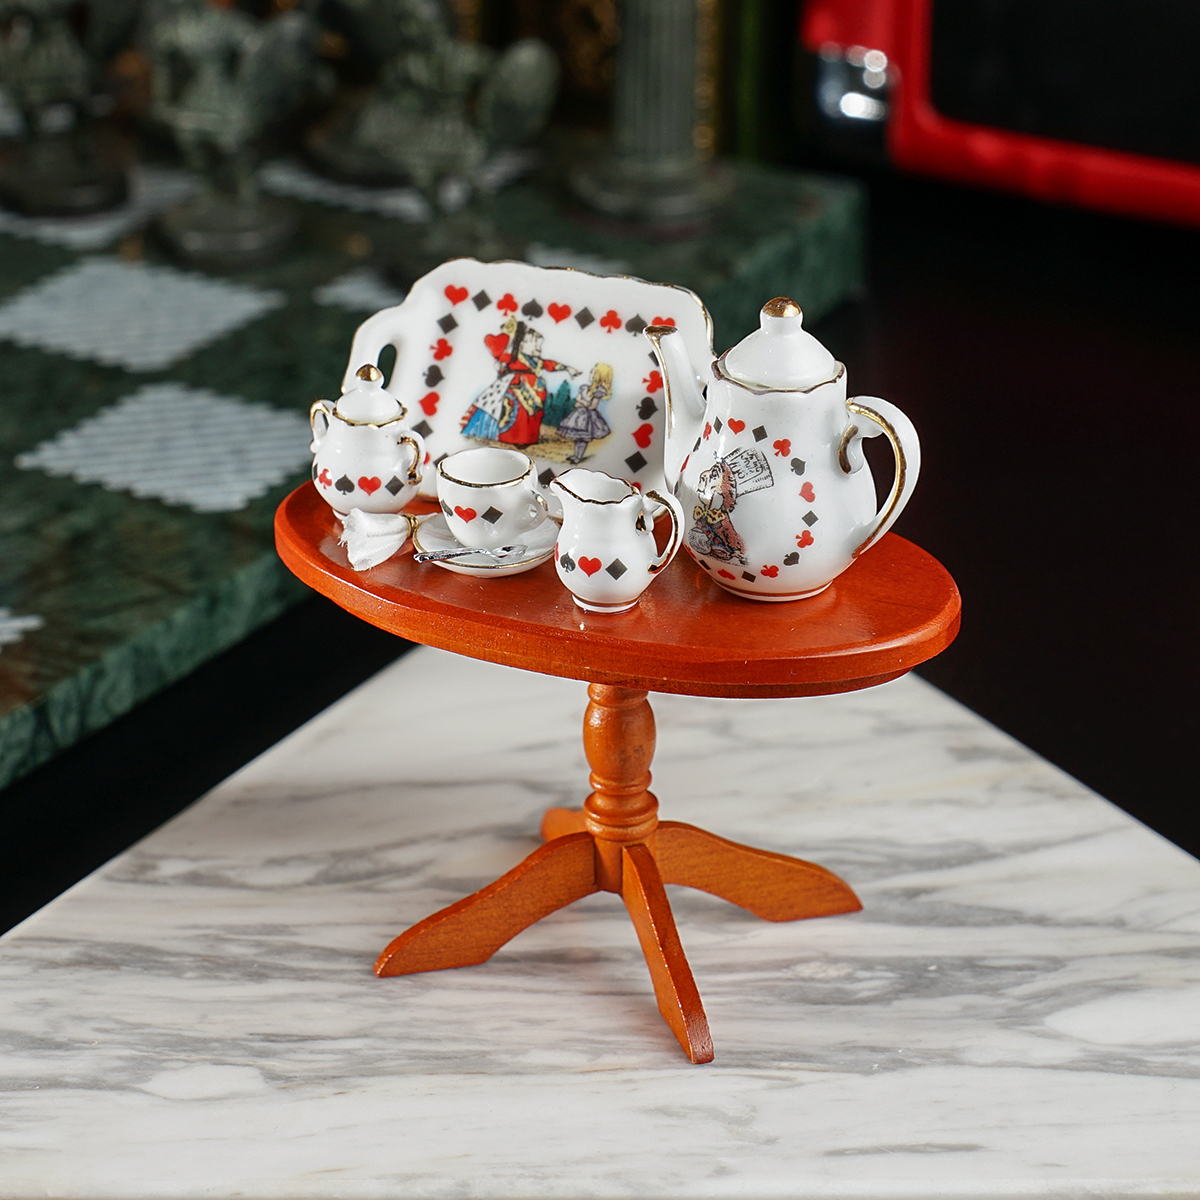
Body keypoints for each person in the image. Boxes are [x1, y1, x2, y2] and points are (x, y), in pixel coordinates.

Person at [461, 317, 579, 446]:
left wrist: (568, 368)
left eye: (539, 345)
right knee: (517, 413)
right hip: (517, 387)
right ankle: (511, 438)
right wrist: (500, 365)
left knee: (533, 415)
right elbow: (502, 360)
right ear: (522, 344)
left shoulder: (537, 361)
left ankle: (528, 439)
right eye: (535, 345)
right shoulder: (514, 357)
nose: (538, 348)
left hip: (535, 390)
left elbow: (550, 365)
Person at [555, 362, 613, 463]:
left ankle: (578, 457)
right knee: (578, 438)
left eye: (593, 373)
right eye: (591, 372)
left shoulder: (598, 390)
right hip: (578, 416)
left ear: (599, 376)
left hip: (588, 419)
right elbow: (578, 400)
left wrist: (582, 403)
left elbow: (592, 406)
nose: (591, 374)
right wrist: (583, 403)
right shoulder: (585, 387)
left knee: (583, 438)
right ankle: (575, 455)